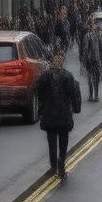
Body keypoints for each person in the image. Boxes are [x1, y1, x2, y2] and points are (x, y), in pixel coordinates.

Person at [34, 50, 80, 179]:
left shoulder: (44, 77)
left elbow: (39, 94)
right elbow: (73, 95)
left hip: (49, 115)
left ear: (52, 62)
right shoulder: (68, 76)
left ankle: (53, 166)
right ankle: (61, 162)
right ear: (62, 62)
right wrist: (76, 108)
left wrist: (41, 110)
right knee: (63, 141)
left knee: (52, 142)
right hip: (64, 114)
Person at [80, 18, 102, 103]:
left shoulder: (87, 36)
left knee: (90, 77)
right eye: (93, 24)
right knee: (96, 77)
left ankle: (91, 95)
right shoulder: (97, 35)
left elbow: (85, 49)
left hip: (90, 60)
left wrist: (84, 60)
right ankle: (96, 95)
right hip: (96, 59)